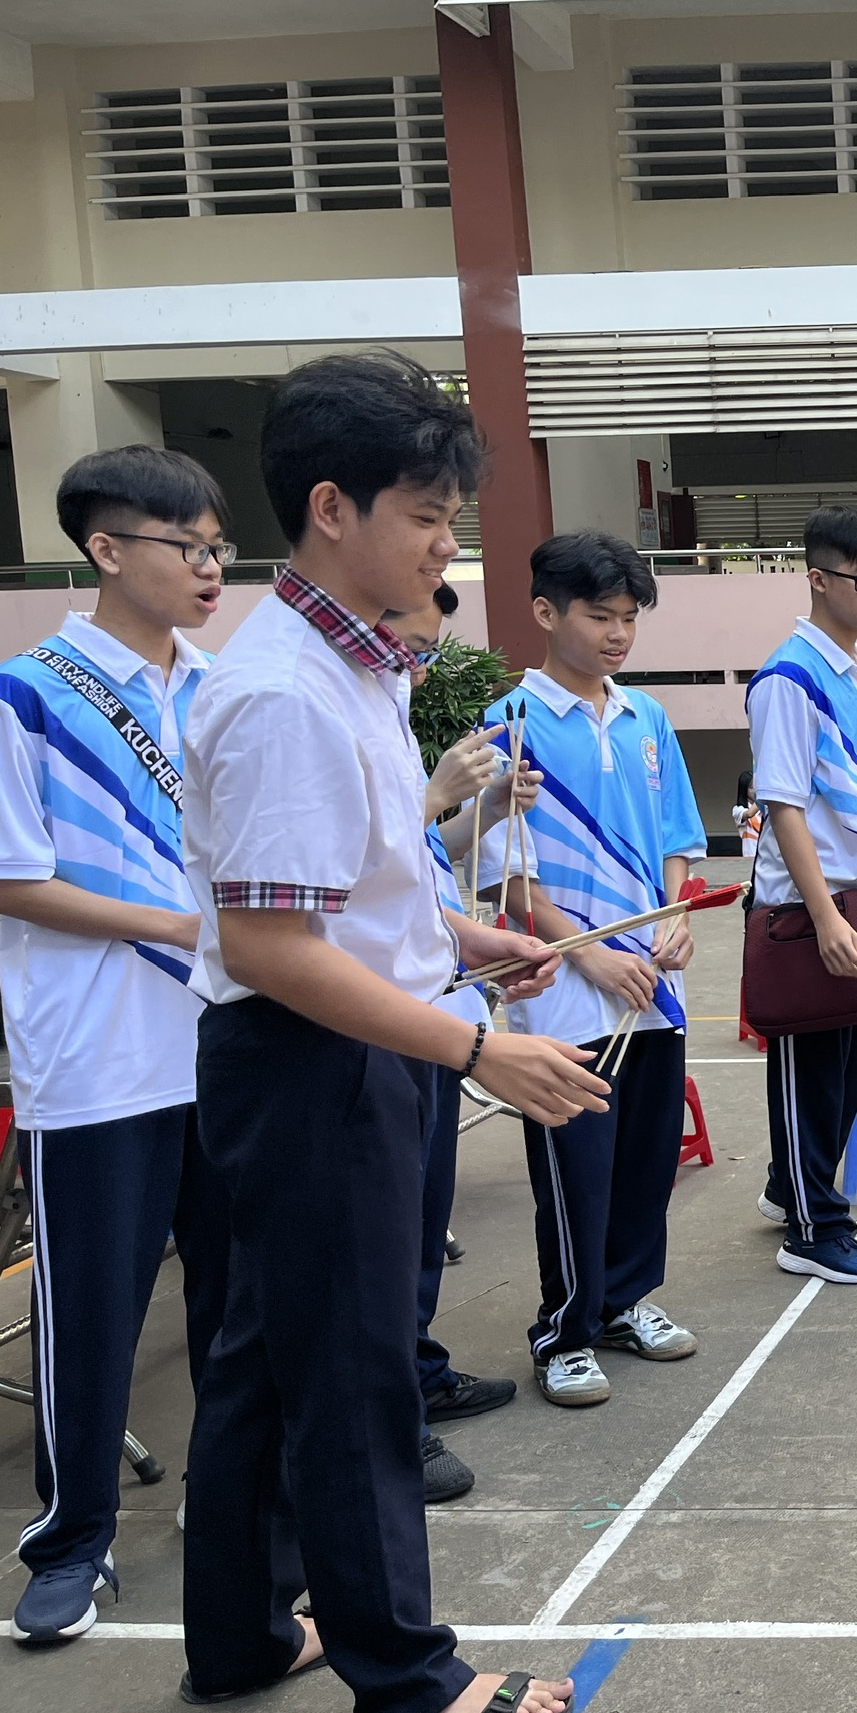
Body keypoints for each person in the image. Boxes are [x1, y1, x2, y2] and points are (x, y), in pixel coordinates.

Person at [179, 349, 602, 1713]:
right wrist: (480, 1047)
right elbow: (270, 947)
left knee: (265, 1354)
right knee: (356, 1373)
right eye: (424, 516)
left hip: (339, 1041)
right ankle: (408, 1683)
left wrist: (467, 942)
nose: (444, 547)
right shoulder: (286, 692)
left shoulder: (355, 664)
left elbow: (352, 890)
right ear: (330, 508)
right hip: (315, 1059)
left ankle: (242, 1633)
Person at [0, 446, 234, 1644]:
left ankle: (231, 1504)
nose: (212, 568)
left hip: (227, 1041)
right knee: (92, 1312)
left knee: (238, 1301)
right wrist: (171, 924)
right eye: (189, 547)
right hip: (98, 1059)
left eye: (221, 548)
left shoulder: (224, 689)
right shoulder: (21, 696)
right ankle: (72, 1538)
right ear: (108, 549)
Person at [483, 531, 705, 1408]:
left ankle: (626, 1302)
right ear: (546, 612)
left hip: (654, 986)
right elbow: (511, 880)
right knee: (577, 1171)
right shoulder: (509, 725)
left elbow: (680, 840)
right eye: (600, 616)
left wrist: (677, 917)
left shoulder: (648, 718)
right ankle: (564, 1333)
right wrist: (594, 957)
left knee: (648, 1160)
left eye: (629, 618)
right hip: (567, 997)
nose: (618, 634)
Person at [389, 582, 542, 1499]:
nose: (418, 668)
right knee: (381, 1235)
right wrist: (432, 794)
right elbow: (343, 871)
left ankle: (417, 1370)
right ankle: (391, 1420)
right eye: (410, 647)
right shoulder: (298, 707)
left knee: (421, 1219)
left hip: (435, 1008)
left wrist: (480, 812)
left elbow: (421, 868)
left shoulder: (389, 720)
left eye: (428, 653)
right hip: (377, 1024)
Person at [749, 506, 857, 1284]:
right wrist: (824, 916)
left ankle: (791, 1188)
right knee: (809, 1069)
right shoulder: (790, 679)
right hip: (809, 909)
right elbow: (782, 805)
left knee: (845, 1068)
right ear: (816, 578)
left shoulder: (854, 672)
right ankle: (813, 1229)